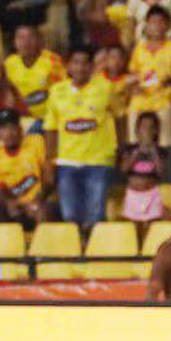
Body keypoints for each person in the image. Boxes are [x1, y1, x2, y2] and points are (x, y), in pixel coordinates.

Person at [44, 45, 123, 233]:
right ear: (68, 66)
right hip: (66, 162)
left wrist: (121, 146)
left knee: (95, 216)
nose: (80, 68)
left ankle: (95, 256)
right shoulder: (56, 91)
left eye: (85, 63)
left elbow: (120, 116)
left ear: (91, 66)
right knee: (70, 216)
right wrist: (49, 161)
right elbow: (51, 128)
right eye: (76, 63)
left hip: (98, 160)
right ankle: (77, 256)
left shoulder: (105, 88)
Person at [128, 5, 171, 147]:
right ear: (146, 25)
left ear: (167, 26)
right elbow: (133, 73)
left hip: (164, 98)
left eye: (160, 22)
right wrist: (134, 86)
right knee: (132, 115)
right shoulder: (139, 48)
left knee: (166, 137)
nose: (156, 26)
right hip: (141, 98)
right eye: (152, 22)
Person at [0, 108, 49, 227]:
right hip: (15, 204)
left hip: (40, 199)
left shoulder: (36, 141)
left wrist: (38, 199)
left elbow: (48, 175)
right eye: (3, 129)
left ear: (20, 129)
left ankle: (42, 244)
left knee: (40, 210)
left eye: (12, 127)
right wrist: (10, 202)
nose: (9, 133)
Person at [3, 25, 64, 132]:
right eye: (21, 38)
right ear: (14, 42)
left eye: (30, 37)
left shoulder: (52, 61)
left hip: (58, 117)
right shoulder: (10, 63)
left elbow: (66, 90)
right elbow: (11, 89)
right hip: (34, 118)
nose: (26, 42)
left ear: (40, 40)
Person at [118, 112, 170, 239]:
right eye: (143, 127)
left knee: (151, 228)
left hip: (151, 193)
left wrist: (153, 152)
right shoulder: (129, 149)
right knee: (132, 229)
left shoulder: (160, 151)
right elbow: (124, 169)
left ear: (156, 131)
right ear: (137, 130)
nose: (147, 131)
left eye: (151, 127)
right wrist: (137, 153)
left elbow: (161, 171)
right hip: (133, 194)